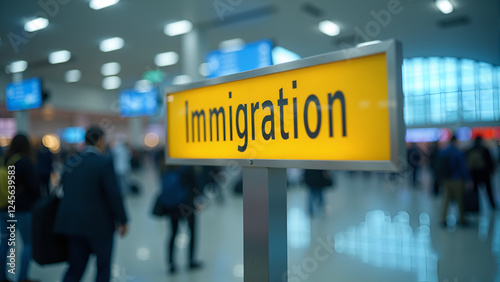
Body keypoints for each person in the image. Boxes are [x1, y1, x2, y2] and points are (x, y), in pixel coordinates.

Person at [54, 126, 128, 282]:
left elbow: (63, 189)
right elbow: (113, 194)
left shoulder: (72, 161)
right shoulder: (104, 162)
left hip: (73, 224)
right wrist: (123, 220)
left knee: (75, 268)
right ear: (100, 141)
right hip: (99, 225)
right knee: (102, 268)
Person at [0, 134, 41, 282]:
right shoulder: (25, 162)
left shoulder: (4, 160)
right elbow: (34, 188)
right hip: (22, 209)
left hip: (4, 208)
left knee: (5, 243)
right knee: (28, 244)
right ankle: (22, 278)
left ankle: (2, 276)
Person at [157, 163, 202, 274]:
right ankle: (191, 261)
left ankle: (171, 263)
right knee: (192, 232)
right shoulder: (188, 167)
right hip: (187, 205)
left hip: (172, 206)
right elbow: (195, 186)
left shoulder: (167, 166)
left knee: (173, 233)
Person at [439, 136, 471, 227]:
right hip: (457, 180)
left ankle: (443, 219)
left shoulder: (443, 152)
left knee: (446, 200)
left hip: (446, 180)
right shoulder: (458, 153)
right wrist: (468, 179)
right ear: (456, 141)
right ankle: (462, 219)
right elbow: (463, 167)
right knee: (460, 200)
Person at [465, 136, 496, 209]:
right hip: (485, 173)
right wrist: (491, 170)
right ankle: (492, 205)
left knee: (475, 192)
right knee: (489, 190)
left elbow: (467, 163)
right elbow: (490, 161)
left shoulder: (470, 150)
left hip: (474, 174)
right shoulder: (484, 149)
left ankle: (476, 207)